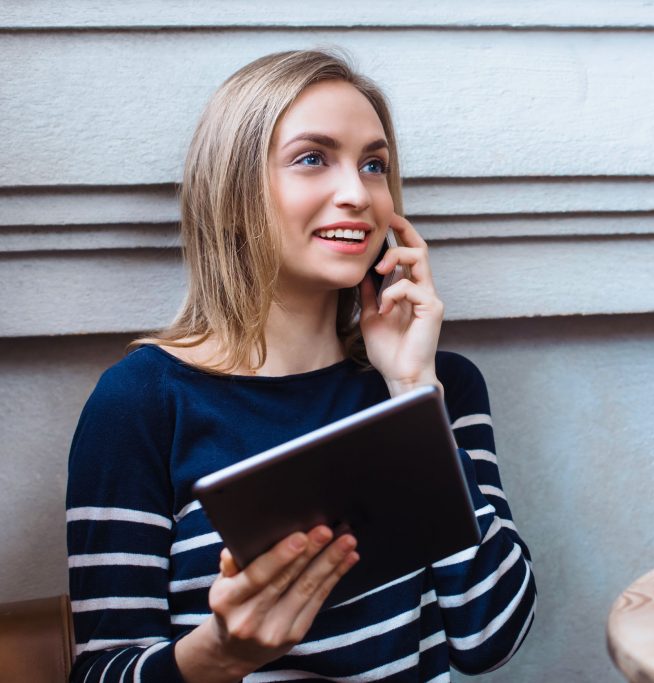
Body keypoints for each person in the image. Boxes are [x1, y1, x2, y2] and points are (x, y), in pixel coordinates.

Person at [65, 49, 536, 682]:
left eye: (374, 165)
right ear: (232, 194)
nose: (358, 194)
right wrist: (221, 654)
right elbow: (103, 670)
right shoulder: (142, 402)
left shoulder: (440, 384)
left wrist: (411, 390)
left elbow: (491, 637)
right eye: (313, 158)